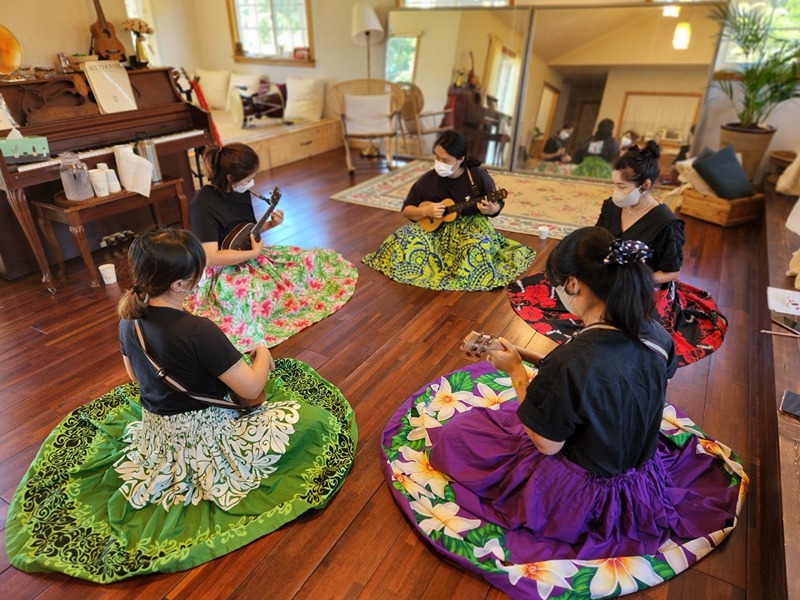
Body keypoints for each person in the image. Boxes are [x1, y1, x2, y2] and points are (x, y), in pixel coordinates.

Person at [379, 227, 747, 598]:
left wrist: (516, 373)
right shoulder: (655, 334)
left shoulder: (572, 363)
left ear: (573, 284)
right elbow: (617, 380)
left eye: (554, 283)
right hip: (640, 472)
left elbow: (547, 445)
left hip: (583, 492)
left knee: (461, 436)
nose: (553, 290)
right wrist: (536, 365)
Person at [5, 227, 357, 583]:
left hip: (156, 434)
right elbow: (251, 387)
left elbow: (133, 376)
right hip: (205, 434)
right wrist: (263, 349)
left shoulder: (129, 317)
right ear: (178, 284)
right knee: (313, 423)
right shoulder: (197, 330)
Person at [508, 141, 728, 366]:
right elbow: (596, 240)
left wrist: (631, 276)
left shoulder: (666, 223)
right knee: (562, 290)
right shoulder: (611, 206)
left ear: (645, 185)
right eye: (614, 184)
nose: (616, 192)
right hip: (606, 272)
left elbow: (672, 272)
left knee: (628, 331)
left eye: (622, 187)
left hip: (642, 284)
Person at [186, 142, 358, 351]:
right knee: (253, 293)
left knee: (308, 260)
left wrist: (268, 225)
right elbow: (210, 256)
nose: (252, 183)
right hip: (223, 270)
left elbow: (242, 233)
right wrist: (254, 252)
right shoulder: (202, 204)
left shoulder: (239, 191)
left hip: (249, 255)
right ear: (230, 178)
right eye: (248, 179)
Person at [362, 129, 536, 291]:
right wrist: (426, 211)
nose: (439, 163)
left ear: (460, 159)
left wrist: (490, 209)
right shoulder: (427, 180)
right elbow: (407, 210)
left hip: (470, 226)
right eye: (437, 157)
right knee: (403, 238)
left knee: (477, 247)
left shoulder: (477, 176)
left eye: (445, 160)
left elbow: (497, 204)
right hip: (436, 229)